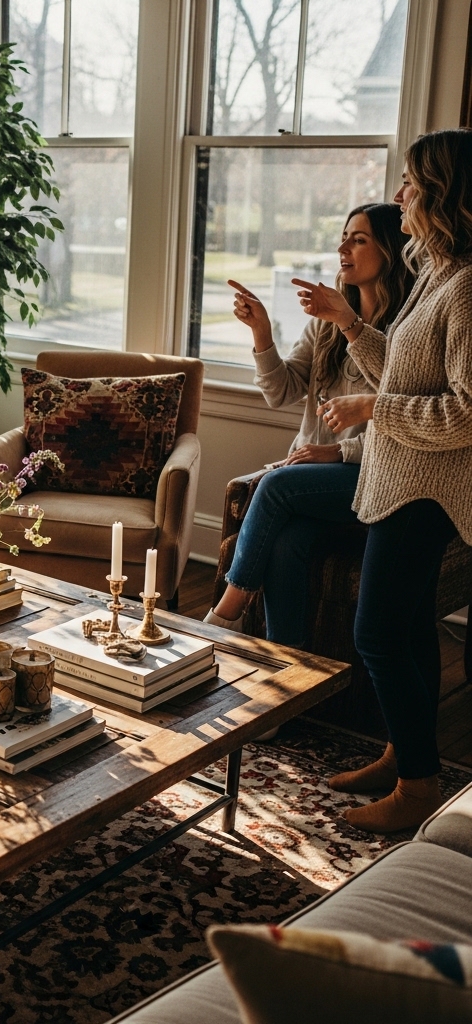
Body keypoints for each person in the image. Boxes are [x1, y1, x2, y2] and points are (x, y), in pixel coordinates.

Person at [294, 128, 472, 833]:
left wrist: (374, 407)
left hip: (424, 490)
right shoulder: (434, 270)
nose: (401, 196)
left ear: (443, 192)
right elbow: (400, 366)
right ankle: (406, 756)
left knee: (376, 635)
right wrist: (352, 333)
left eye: (412, 183)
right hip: (398, 477)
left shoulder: (466, 288)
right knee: (410, 631)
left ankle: (419, 787)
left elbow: (466, 410)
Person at [204, 203, 413, 651]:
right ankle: (288, 670)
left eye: (358, 239)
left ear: (391, 251)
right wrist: (262, 333)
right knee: (286, 545)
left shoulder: (405, 328)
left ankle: (225, 613)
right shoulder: (326, 325)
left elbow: (400, 408)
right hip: (311, 477)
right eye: (343, 237)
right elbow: (281, 391)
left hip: (372, 479)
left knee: (276, 485)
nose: (343, 248)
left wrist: (338, 453)